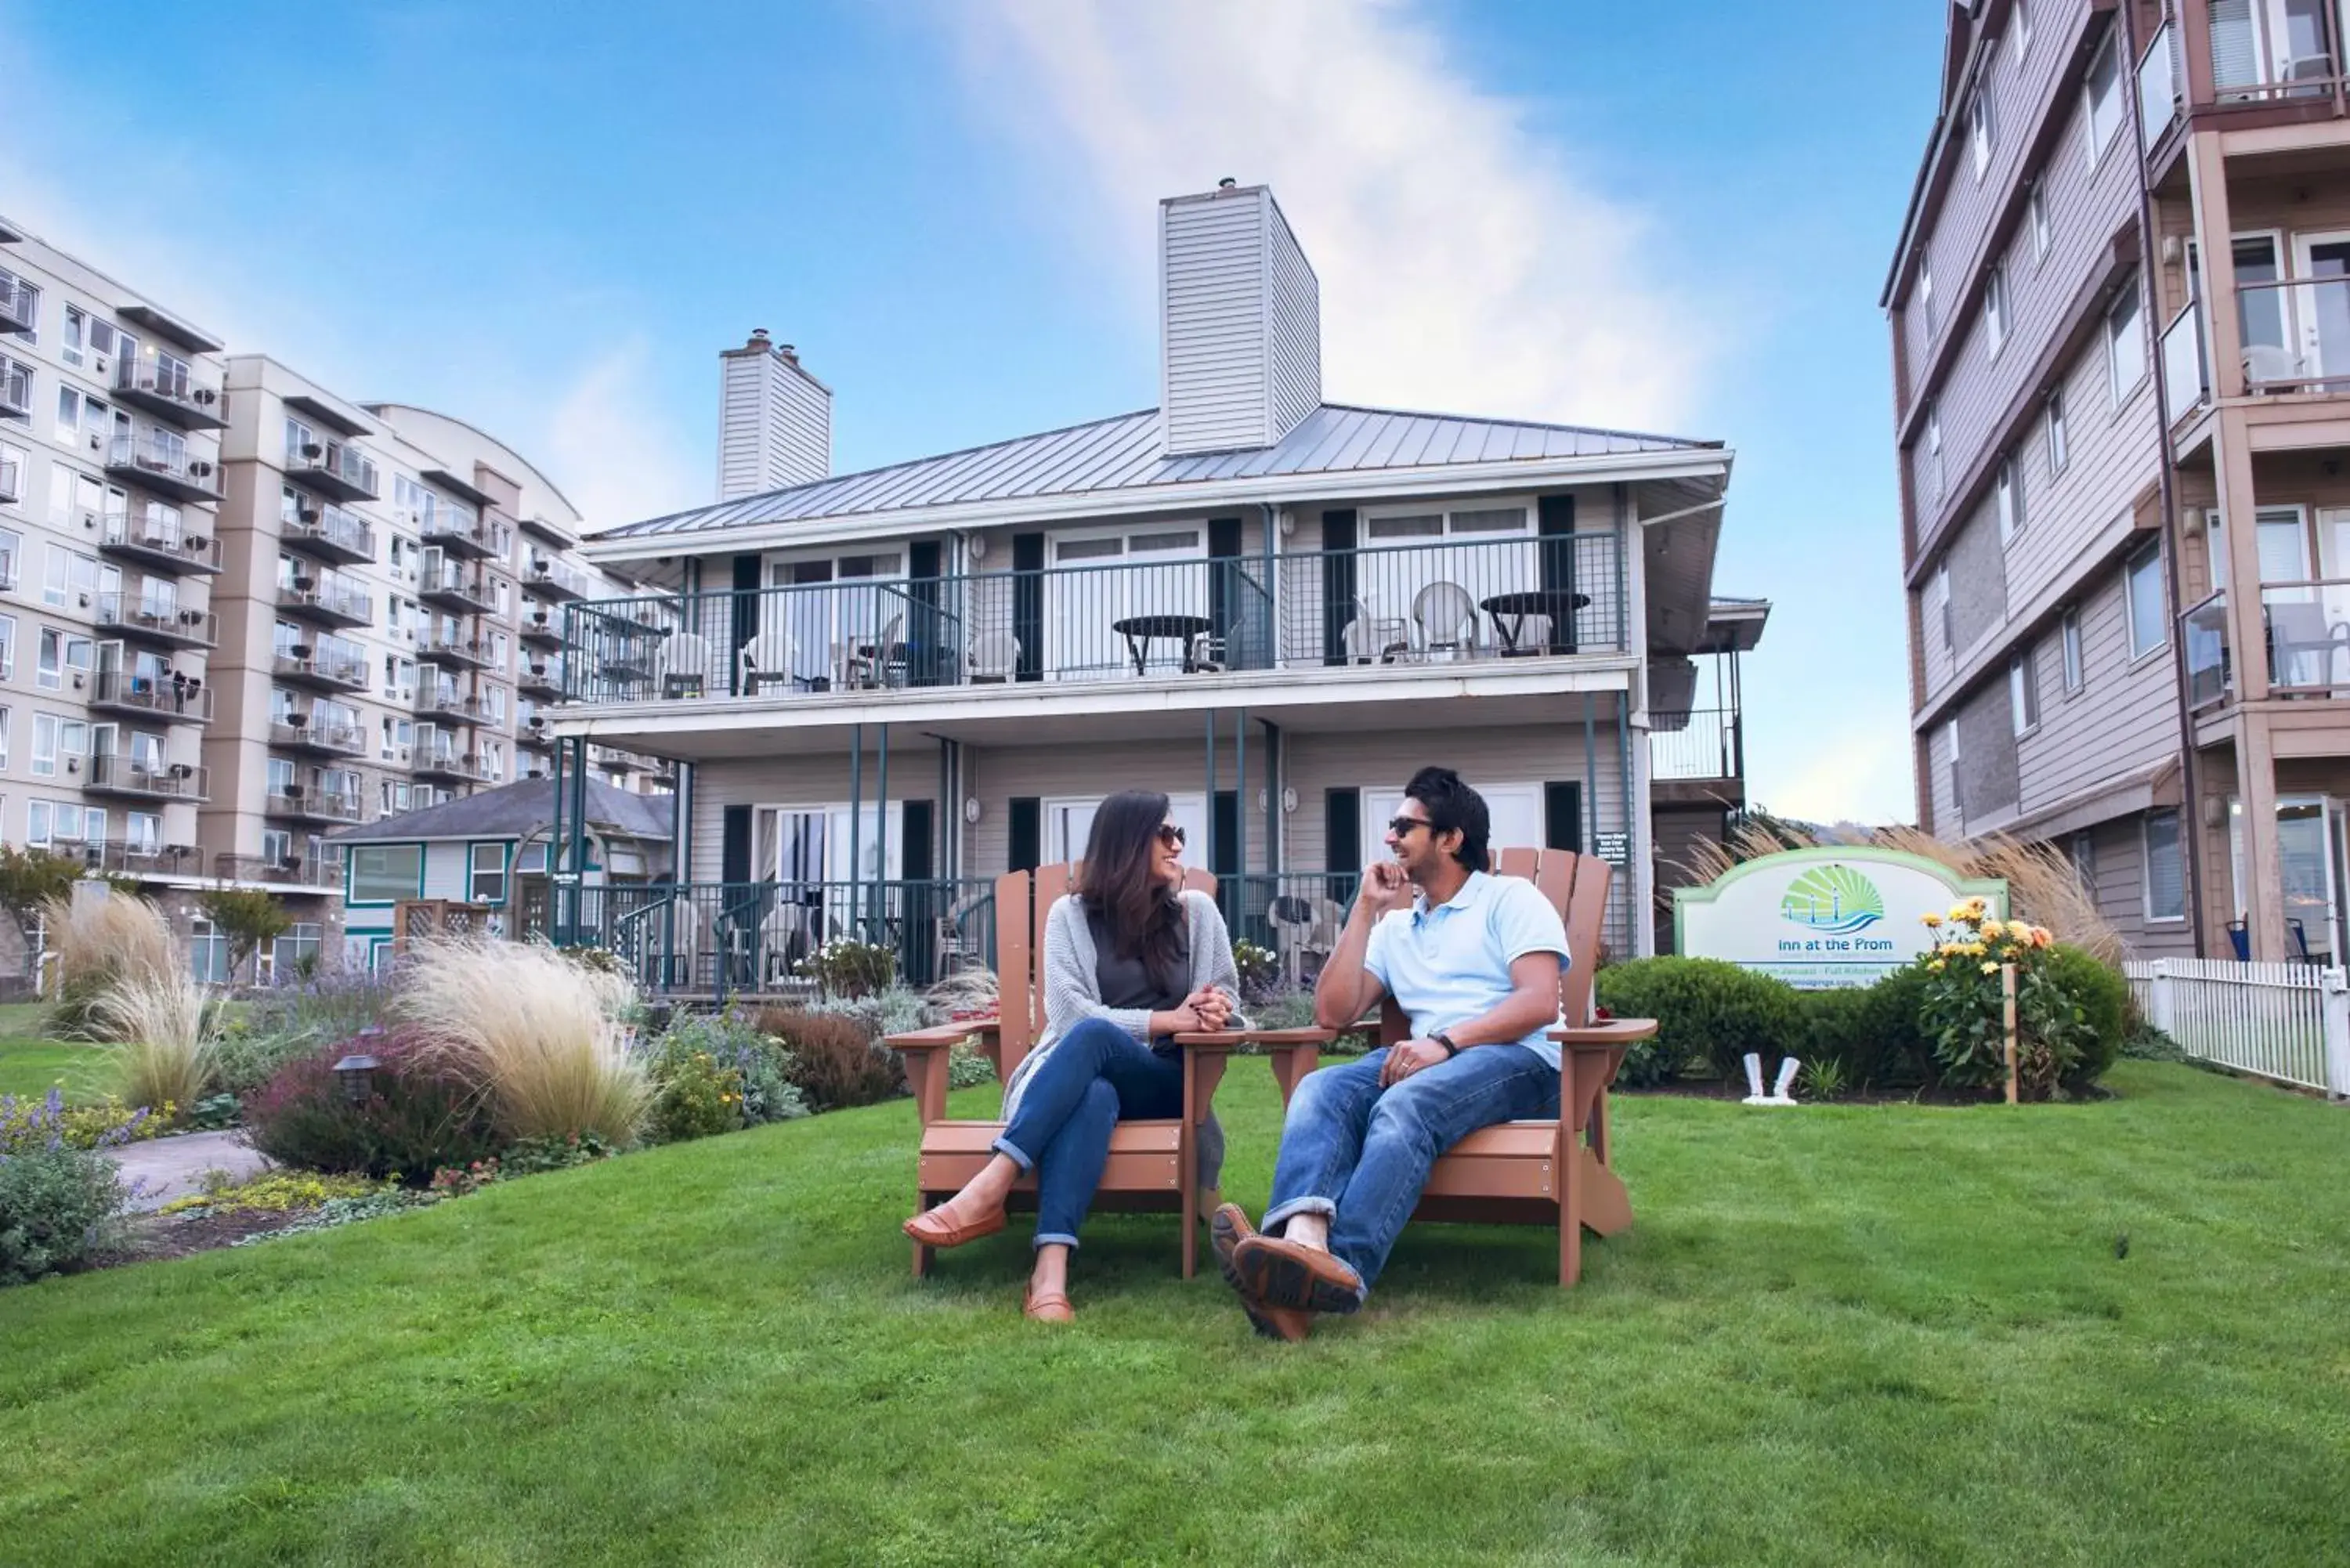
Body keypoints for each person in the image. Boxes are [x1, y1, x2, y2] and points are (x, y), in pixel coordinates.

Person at [1214, 767, 1567, 1341]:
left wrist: (1445, 1043)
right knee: (1320, 1089)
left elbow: (1537, 1002)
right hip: (1430, 1060)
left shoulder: (1510, 899)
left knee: (1406, 1105)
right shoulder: (1397, 925)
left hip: (1519, 1059)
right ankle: (1300, 1247)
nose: (1391, 836)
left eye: (1405, 825)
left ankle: (1341, 1269)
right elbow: (1332, 1014)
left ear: (1451, 839)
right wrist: (1363, 910)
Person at [904, 790, 1241, 1322]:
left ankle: (991, 1185)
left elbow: (1228, 996)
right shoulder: (1070, 915)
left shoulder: (1196, 913)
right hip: (1086, 1081)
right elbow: (1066, 1014)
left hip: (1169, 1080)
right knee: (1094, 1085)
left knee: (1096, 1036)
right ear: (1129, 842)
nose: (1178, 845)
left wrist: (1215, 1010)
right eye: (1166, 834)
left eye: (1181, 835)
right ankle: (1050, 1274)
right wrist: (1165, 1018)